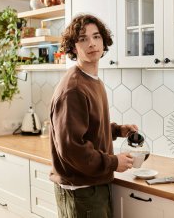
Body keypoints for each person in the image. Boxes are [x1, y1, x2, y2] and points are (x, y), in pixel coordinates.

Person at [49, 14, 138, 218]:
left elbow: (88, 126)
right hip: (81, 191)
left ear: (104, 41)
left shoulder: (91, 80)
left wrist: (117, 130)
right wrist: (113, 162)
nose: (92, 43)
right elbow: (72, 148)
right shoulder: (73, 89)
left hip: (93, 184)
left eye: (96, 36)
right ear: (72, 47)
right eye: (83, 39)